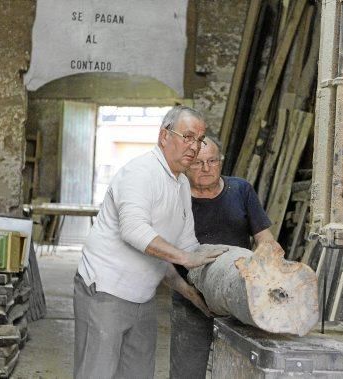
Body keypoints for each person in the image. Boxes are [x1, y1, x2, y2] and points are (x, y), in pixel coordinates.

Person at [73, 106, 226, 379]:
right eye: (188, 136)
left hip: (143, 296)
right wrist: (187, 258)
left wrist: (202, 284)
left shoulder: (180, 184)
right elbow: (134, 230)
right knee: (96, 373)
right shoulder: (140, 173)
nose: (195, 146)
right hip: (106, 291)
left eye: (200, 139)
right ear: (164, 136)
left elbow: (186, 245)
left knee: (138, 373)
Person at [169, 135, 275, 379]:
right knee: (187, 373)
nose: (206, 168)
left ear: (221, 161)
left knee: (239, 369)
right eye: (197, 163)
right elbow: (159, 255)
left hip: (239, 295)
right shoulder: (175, 197)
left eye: (213, 161)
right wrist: (191, 295)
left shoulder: (240, 190)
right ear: (186, 165)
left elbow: (265, 239)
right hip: (190, 299)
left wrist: (267, 270)